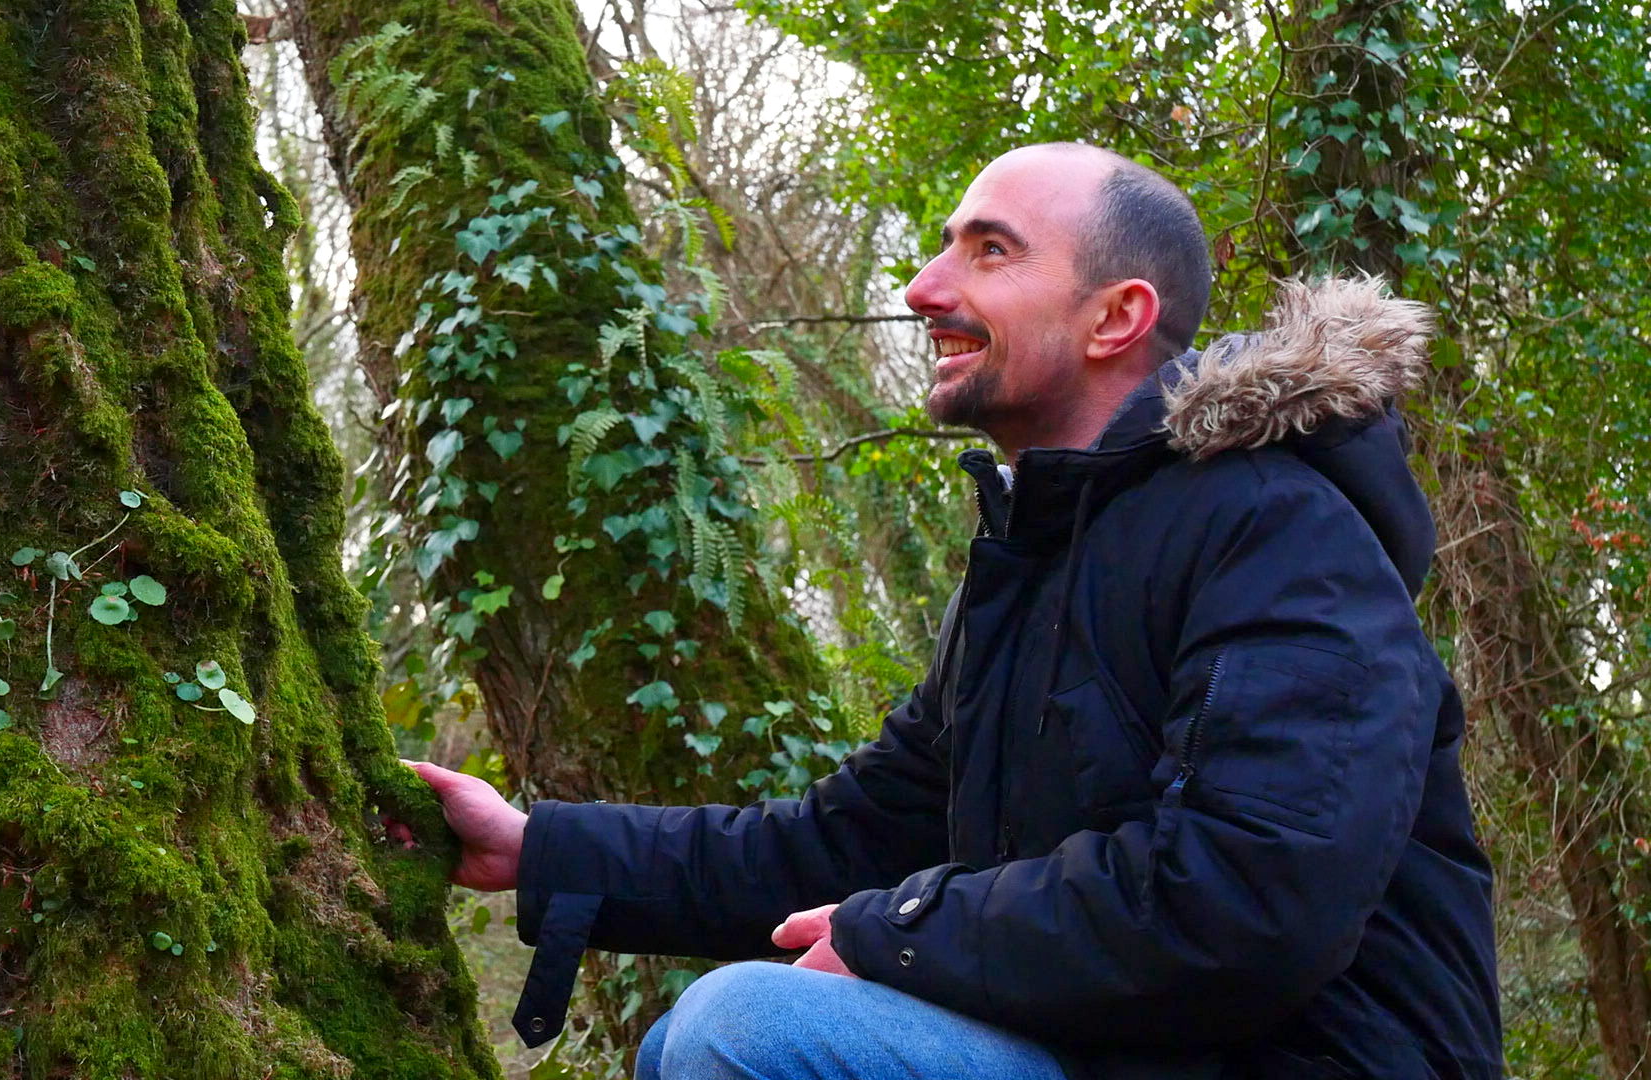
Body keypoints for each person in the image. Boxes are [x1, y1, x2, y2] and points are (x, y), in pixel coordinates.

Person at [406, 142, 1502, 1079]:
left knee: (742, 1033)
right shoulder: (1029, 567)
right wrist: (541, 849)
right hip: (1112, 1055)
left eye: (989, 250)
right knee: (691, 1045)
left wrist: (897, 931)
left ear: (1117, 316)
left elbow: (1249, 897)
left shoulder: (1276, 531)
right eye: (945, 247)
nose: (926, 288)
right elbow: (849, 840)